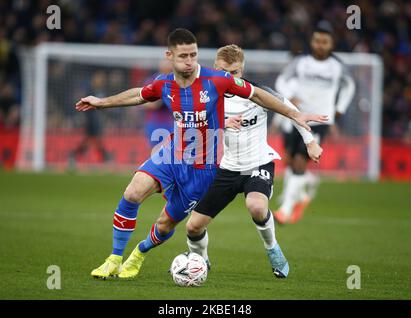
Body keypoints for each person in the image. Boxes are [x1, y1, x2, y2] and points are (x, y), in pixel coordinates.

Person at [75, 28, 327, 280]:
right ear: (170, 55)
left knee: (168, 223)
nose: (189, 61)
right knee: (134, 193)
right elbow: (139, 94)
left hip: (208, 168)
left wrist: (297, 118)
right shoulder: (165, 83)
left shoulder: (218, 82)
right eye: (183, 56)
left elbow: (261, 95)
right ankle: (114, 258)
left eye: (193, 55)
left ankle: (139, 253)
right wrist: (101, 102)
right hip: (175, 155)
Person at [185, 45, 322, 278]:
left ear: (242, 70)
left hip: (258, 163)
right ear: (214, 69)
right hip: (227, 167)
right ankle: (201, 262)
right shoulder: (207, 96)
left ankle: (273, 250)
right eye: (222, 72)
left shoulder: (257, 93)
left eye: (234, 73)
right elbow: (193, 130)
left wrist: (310, 142)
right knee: (193, 227)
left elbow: (292, 111)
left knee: (257, 207)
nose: (227, 79)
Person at [274, 21, 355, 224]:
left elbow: (349, 86)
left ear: (331, 44)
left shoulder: (337, 67)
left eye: (324, 41)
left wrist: (340, 108)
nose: (320, 45)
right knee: (291, 161)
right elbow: (282, 80)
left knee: (301, 160)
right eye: (317, 40)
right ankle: (301, 197)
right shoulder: (301, 62)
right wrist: (289, 95)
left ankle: (286, 209)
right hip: (297, 117)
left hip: (320, 120)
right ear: (312, 41)